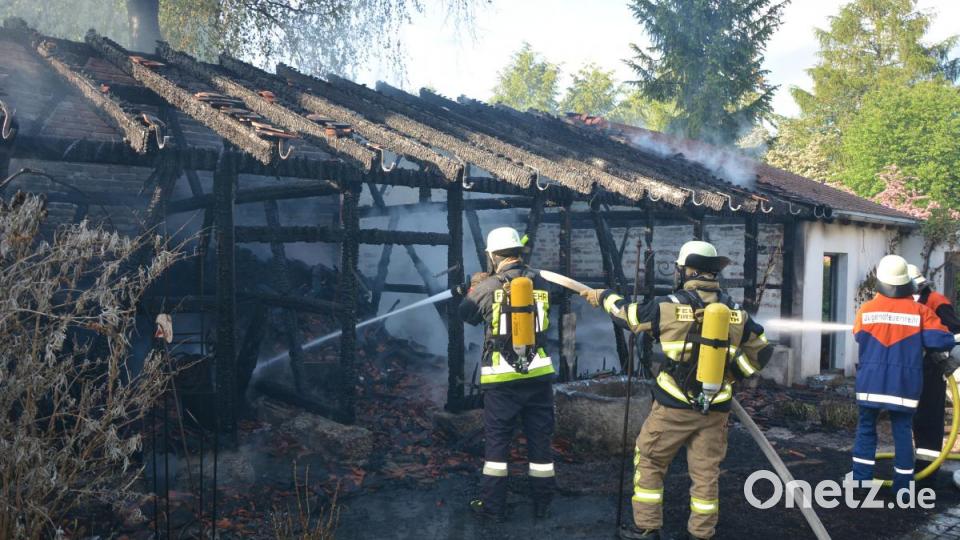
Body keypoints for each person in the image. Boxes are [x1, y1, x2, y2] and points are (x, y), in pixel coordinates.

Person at [580, 240, 774, 540]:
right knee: (706, 473)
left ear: (687, 270)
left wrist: (604, 296)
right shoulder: (735, 310)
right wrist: (734, 374)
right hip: (716, 408)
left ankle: (646, 528)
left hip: (675, 405)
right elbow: (761, 353)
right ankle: (701, 534)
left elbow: (628, 317)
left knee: (650, 459)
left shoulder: (669, 305)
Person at [459, 226, 557, 522]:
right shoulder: (540, 280)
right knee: (540, 441)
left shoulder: (489, 288)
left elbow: (466, 314)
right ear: (518, 252)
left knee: (497, 447)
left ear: (492, 255)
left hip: (503, 382)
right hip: (539, 376)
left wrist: (474, 288)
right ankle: (543, 505)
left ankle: (492, 509)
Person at [851, 256, 955, 496]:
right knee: (902, 431)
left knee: (866, 429)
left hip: (870, 383)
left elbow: (858, 335)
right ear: (907, 283)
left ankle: (860, 484)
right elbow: (941, 339)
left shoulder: (866, 310)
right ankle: (903, 489)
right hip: (903, 386)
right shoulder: (919, 312)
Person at [907, 264, 960, 481]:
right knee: (917, 420)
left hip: (935, 369)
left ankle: (927, 474)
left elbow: (956, 334)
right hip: (917, 369)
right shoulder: (912, 305)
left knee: (929, 418)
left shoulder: (936, 302)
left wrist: (940, 352)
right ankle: (920, 467)